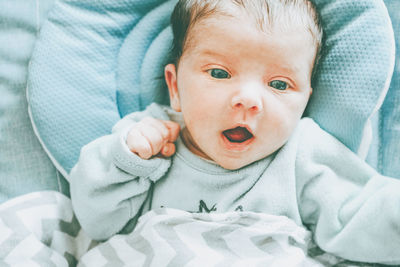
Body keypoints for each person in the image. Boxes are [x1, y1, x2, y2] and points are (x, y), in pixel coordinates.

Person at [70, 0, 400, 264]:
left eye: (279, 84)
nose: (248, 100)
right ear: (175, 87)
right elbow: (96, 221)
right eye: (219, 72)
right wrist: (127, 160)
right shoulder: (150, 138)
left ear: (304, 103)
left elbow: (359, 212)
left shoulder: (302, 152)